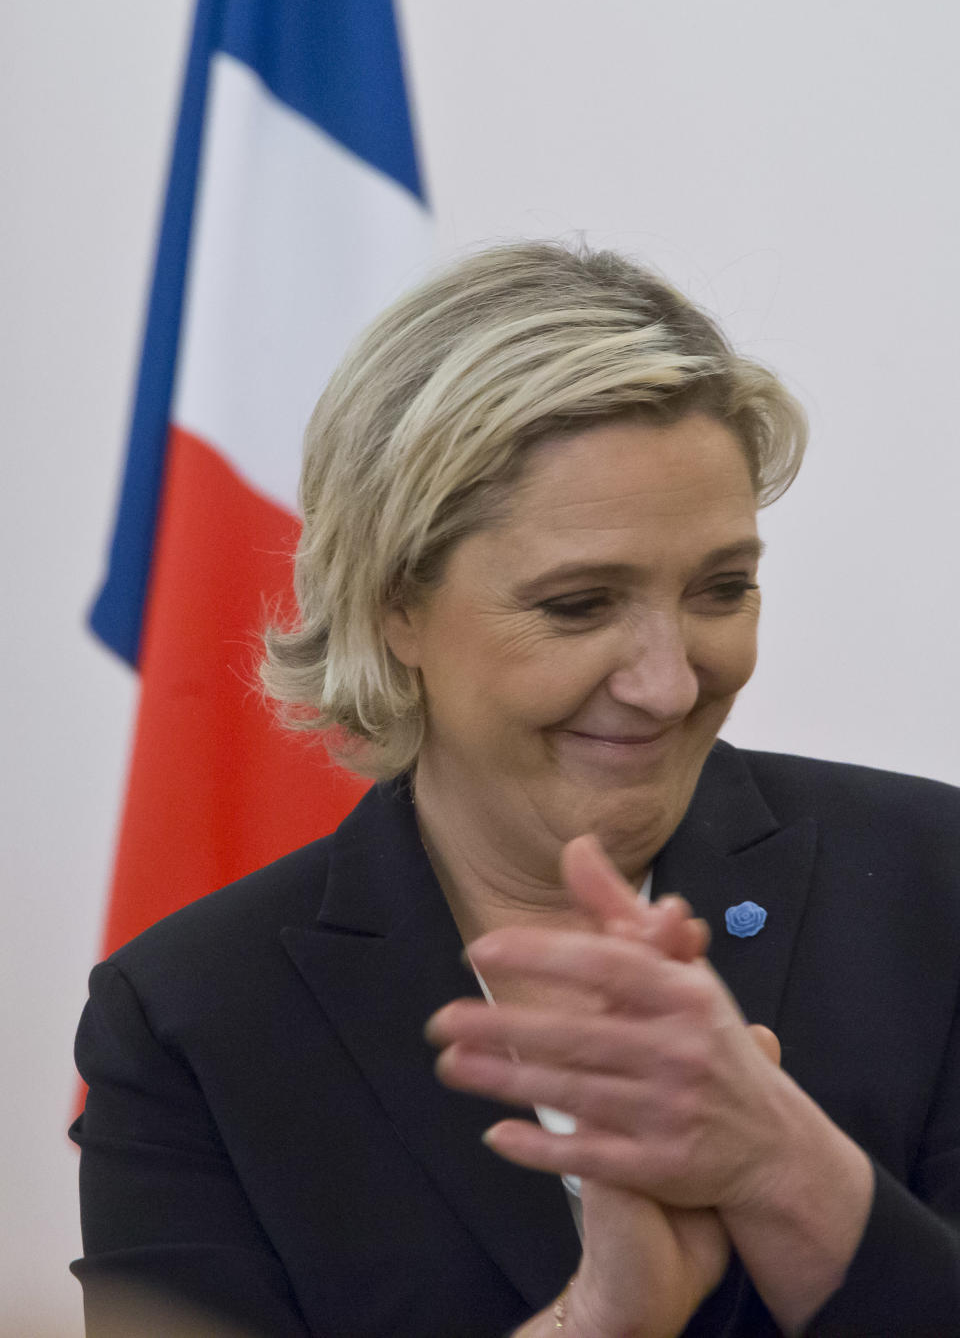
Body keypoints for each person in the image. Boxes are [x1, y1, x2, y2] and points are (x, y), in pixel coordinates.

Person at [70, 242, 960, 1337]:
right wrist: (598, 1320)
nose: (669, 679)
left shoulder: (934, 884)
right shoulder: (192, 1017)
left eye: (722, 589)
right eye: (580, 605)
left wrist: (788, 1171)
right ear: (395, 604)